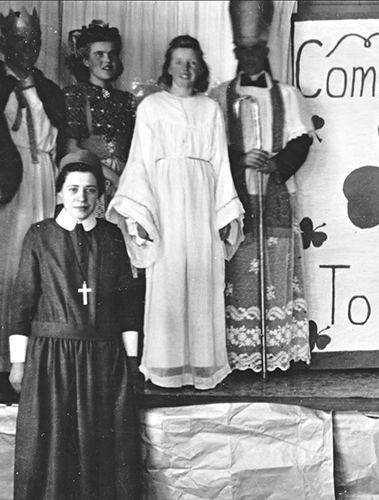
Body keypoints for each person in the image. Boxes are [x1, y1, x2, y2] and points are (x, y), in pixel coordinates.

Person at [107, 35, 244, 390]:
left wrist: (225, 212)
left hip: (201, 200)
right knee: (167, 279)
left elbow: (221, 163)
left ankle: (203, 367)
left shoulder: (210, 109)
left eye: (193, 62)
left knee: (203, 277)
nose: (186, 68)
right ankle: (167, 369)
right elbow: (140, 162)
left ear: (201, 69)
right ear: (168, 66)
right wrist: (140, 215)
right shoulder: (151, 107)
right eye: (179, 61)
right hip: (164, 203)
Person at [8, 150, 142, 499]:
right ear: (58, 194)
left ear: (100, 195)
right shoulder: (39, 236)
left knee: (99, 445)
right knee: (53, 443)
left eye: (91, 190)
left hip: (104, 358)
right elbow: (22, 304)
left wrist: (130, 361)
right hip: (51, 360)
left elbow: (127, 305)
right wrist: (19, 362)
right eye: (73, 189)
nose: (81, 198)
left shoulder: (112, 236)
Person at [210, 0, 313, 373]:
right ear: (236, 52)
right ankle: (240, 353)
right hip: (235, 198)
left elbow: (302, 141)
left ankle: (275, 349)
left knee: (275, 271)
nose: (251, 57)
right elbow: (210, 149)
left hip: (273, 194)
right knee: (238, 269)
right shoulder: (218, 97)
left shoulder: (287, 95)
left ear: (266, 51)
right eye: (244, 51)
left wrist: (276, 163)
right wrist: (239, 160)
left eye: (258, 50)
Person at [0, 8, 66, 387]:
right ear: (4, 43)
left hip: (44, 179)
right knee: (8, 267)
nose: (27, 48)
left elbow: (63, 139)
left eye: (34, 41)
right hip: (10, 183)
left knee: (39, 268)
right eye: (19, 40)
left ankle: (31, 361)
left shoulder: (48, 89)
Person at [63, 20, 136, 218]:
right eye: (99, 54)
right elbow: (71, 149)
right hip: (89, 179)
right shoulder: (75, 94)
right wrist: (112, 176)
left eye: (112, 54)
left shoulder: (126, 99)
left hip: (125, 183)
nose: (107, 60)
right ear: (86, 60)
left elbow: (134, 148)